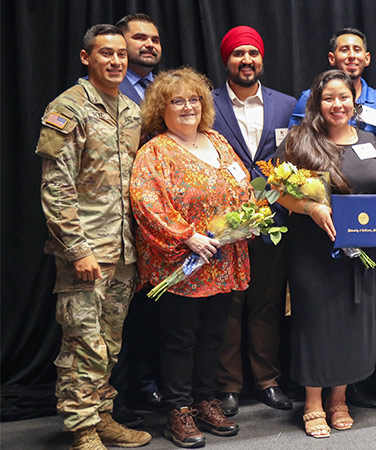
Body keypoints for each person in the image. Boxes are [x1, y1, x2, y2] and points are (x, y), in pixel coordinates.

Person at [36, 24, 151, 450]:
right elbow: (56, 185)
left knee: (109, 342)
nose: (117, 61)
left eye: (122, 53)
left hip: (124, 252)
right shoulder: (68, 108)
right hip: (85, 252)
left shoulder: (132, 111)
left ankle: (102, 416)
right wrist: (77, 249)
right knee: (83, 342)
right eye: (106, 53)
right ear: (87, 58)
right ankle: (82, 429)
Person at [131, 67, 250, 448]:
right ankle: (178, 410)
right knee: (180, 340)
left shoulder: (217, 141)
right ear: (160, 109)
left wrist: (246, 219)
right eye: (177, 101)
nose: (187, 107)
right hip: (180, 265)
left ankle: (204, 400)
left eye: (194, 99)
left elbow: (242, 183)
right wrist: (189, 237)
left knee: (213, 337)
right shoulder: (156, 151)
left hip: (222, 260)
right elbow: (146, 203)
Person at [276, 70, 376, 438]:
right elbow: (275, 191)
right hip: (314, 252)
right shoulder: (300, 140)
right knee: (316, 324)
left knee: (352, 324)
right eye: (329, 99)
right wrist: (311, 207)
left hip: (362, 253)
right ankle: (312, 402)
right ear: (317, 104)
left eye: (344, 97)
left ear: (354, 99)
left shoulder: (370, 139)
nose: (338, 104)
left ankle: (339, 398)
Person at [211, 25, 296, 417]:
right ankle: (228, 385)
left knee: (266, 303)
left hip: (271, 221)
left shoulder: (286, 104)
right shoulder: (206, 104)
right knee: (228, 305)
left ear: (262, 59)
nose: (247, 60)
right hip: (223, 225)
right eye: (238, 54)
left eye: (253, 54)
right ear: (226, 60)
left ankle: (267, 380)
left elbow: (295, 160)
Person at [109, 13, 165, 427]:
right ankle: (112, 400)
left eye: (154, 39)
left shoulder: (161, 91)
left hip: (160, 221)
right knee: (112, 315)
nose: (148, 44)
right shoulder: (111, 93)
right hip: (113, 222)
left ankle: (145, 385)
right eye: (139, 38)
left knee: (149, 310)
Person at [289, 27, 376, 135]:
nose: (352, 56)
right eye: (344, 50)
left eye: (357, 50)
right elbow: (294, 141)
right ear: (332, 58)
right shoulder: (310, 98)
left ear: (367, 58)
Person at [116, 14, 161, 105]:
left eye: (155, 40)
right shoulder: (97, 86)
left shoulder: (170, 86)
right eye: (140, 38)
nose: (150, 45)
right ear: (119, 42)